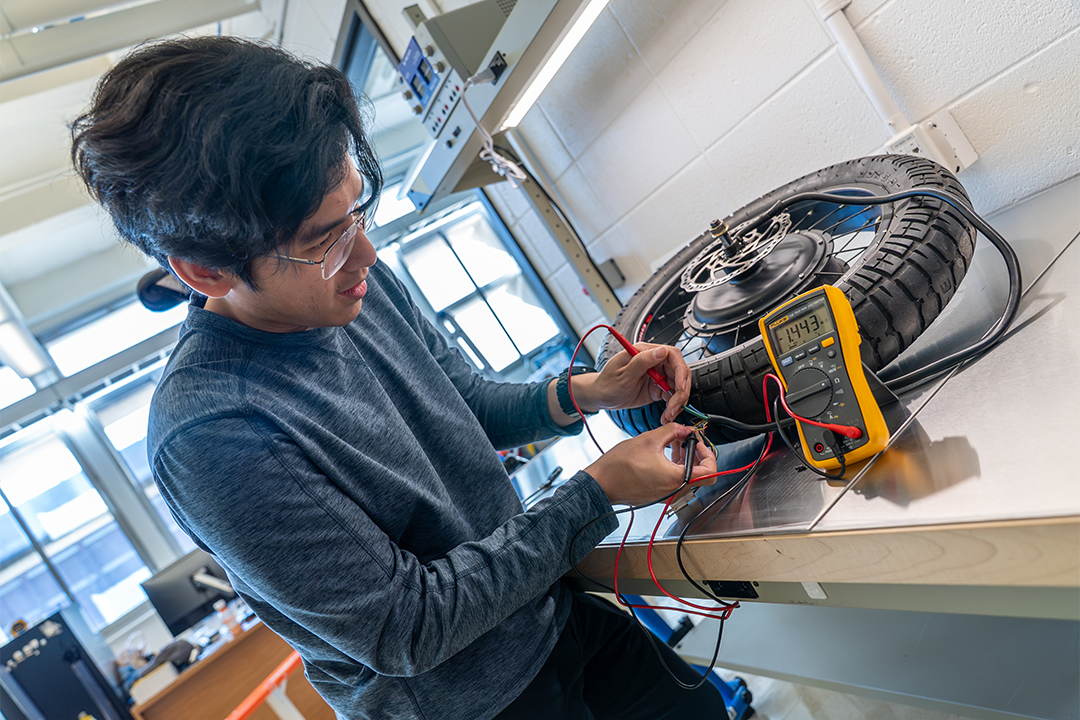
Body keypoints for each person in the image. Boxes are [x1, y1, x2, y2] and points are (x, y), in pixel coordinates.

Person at [71, 36, 727, 720]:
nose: (365, 253)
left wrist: (587, 392)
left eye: (357, 209)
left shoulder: (351, 279)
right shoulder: (213, 434)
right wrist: (598, 490)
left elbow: (463, 404)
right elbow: (409, 627)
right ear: (205, 271)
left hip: (556, 622)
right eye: (323, 239)